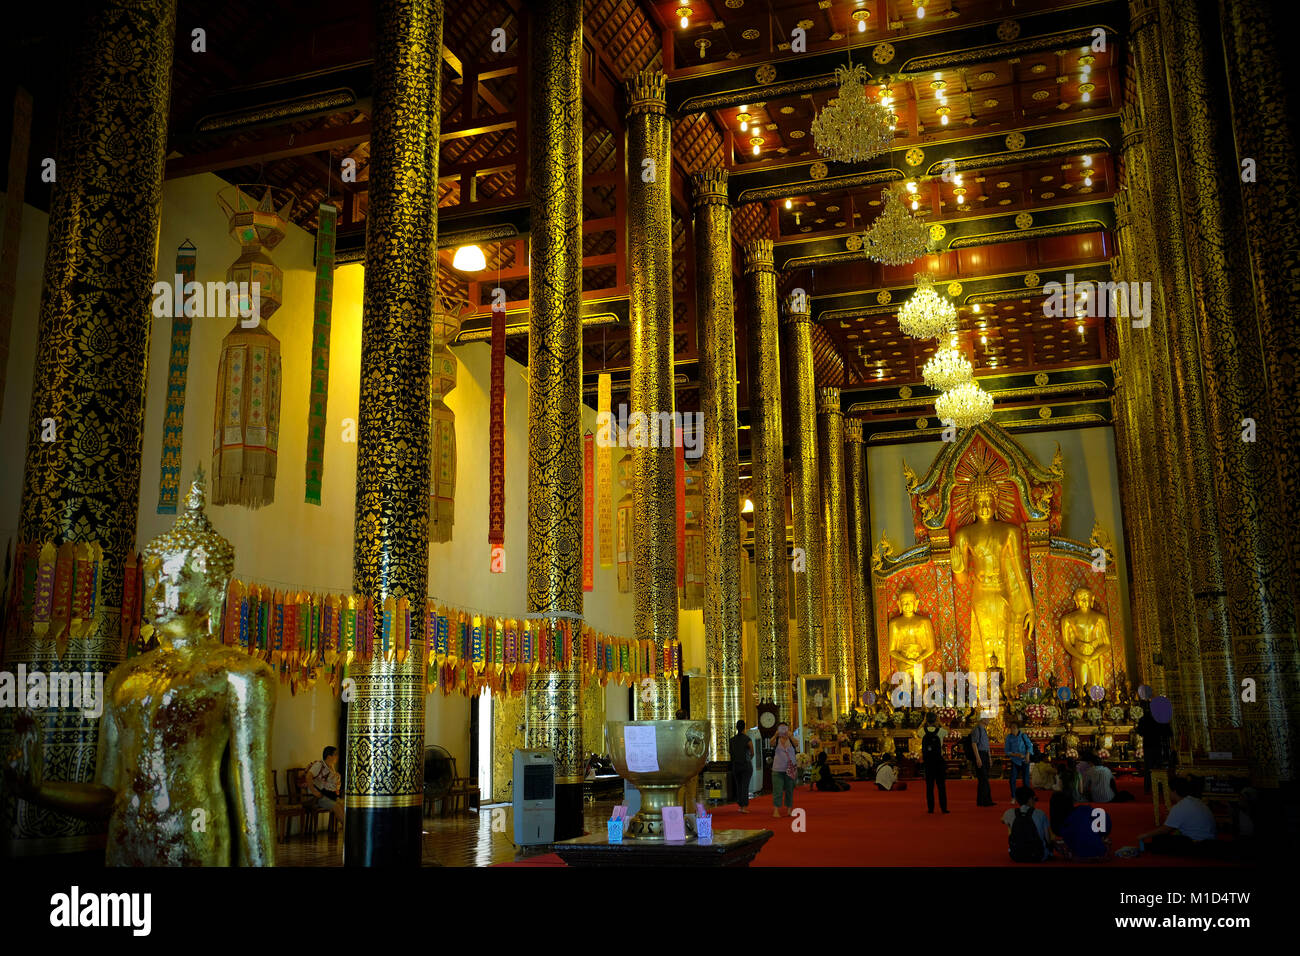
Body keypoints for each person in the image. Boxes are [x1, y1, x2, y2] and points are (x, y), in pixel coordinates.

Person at [1138, 776, 1217, 856]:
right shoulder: (1195, 800)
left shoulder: (1180, 807)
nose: (1168, 792)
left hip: (1197, 843)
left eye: (1169, 790)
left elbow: (1165, 830)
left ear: (1174, 791)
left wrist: (1144, 835)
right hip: (1210, 839)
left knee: (1159, 839)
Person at [1002, 785, 1052, 862]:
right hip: (1038, 855)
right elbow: (1048, 839)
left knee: (1009, 824)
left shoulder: (1009, 813)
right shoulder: (1040, 813)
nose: (1035, 801)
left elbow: (1002, 820)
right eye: (1034, 799)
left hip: (1016, 856)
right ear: (1029, 800)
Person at [1136, 699, 1173, 793]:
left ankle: (1150, 787)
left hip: (1151, 745)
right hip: (1155, 745)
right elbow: (1168, 732)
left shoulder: (1146, 718)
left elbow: (1140, 731)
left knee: (1150, 767)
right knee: (1156, 766)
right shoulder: (1158, 717)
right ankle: (1157, 787)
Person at [305, 746, 345, 828]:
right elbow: (308, 776)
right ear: (329, 756)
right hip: (319, 796)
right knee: (336, 806)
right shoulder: (319, 765)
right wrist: (314, 792)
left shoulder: (331, 767)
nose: (337, 757)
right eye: (335, 754)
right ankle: (348, 830)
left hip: (328, 795)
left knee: (343, 804)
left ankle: (347, 828)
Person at [920, 714, 949, 813]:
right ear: (936, 720)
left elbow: (917, 731)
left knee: (929, 787)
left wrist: (923, 722)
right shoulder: (940, 731)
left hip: (928, 762)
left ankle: (930, 808)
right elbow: (948, 730)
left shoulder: (922, 731)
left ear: (926, 720)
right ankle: (944, 808)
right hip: (938, 761)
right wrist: (940, 722)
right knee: (941, 786)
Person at [770, 724, 798, 818]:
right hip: (777, 769)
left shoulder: (791, 739)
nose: (783, 730)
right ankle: (776, 810)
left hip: (790, 769)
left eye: (784, 728)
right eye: (781, 728)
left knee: (789, 789)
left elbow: (797, 744)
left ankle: (789, 809)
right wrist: (775, 735)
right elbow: (771, 743)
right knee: (777, 790)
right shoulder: (777, 739)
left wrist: (791, 736)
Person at [1004, 718, 1033, 803]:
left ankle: (1027, 798)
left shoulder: (1023, 736)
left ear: (1018, 728)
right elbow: (1007, 751)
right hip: (1015, 761)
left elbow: (1030, 746)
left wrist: (1028, 754)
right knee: (1012, 779)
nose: (1012, 730)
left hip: (1025, 760)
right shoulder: (1009, 738)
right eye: (1011, 728)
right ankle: (1013, 796)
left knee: (1026, 780)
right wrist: (1016, 754)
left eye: (1014, 728)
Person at [729, 719, 754, 813]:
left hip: (735, 765)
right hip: (745, 765)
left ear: (736, 728)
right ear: (744, 728)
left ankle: (740, 806)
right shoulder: (747, 739)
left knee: (738, 786)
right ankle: (744, 807)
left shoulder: (732, 740)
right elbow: (752, 752)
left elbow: (730, 752)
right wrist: (748, 759)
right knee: (745, 786)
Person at [971, 714, 995, 806]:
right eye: (987, 718)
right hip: (980, 754)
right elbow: (974, 744)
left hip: (985, 754)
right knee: (983, 778)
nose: (989, 720)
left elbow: (987, 745)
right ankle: (985, 801)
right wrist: (978, 758)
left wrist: (989, 757)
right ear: (982, 719)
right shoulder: (976, 729)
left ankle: (983, 800)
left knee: (984, 779)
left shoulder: (984, 730)